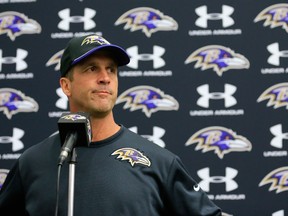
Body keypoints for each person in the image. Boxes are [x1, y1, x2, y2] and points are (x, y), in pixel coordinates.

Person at [0, 34, 222, 216]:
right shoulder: (31, 163)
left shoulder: (159, 162)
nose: (105, 78)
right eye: (91, 69)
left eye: (112, 70)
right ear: (66, 86)